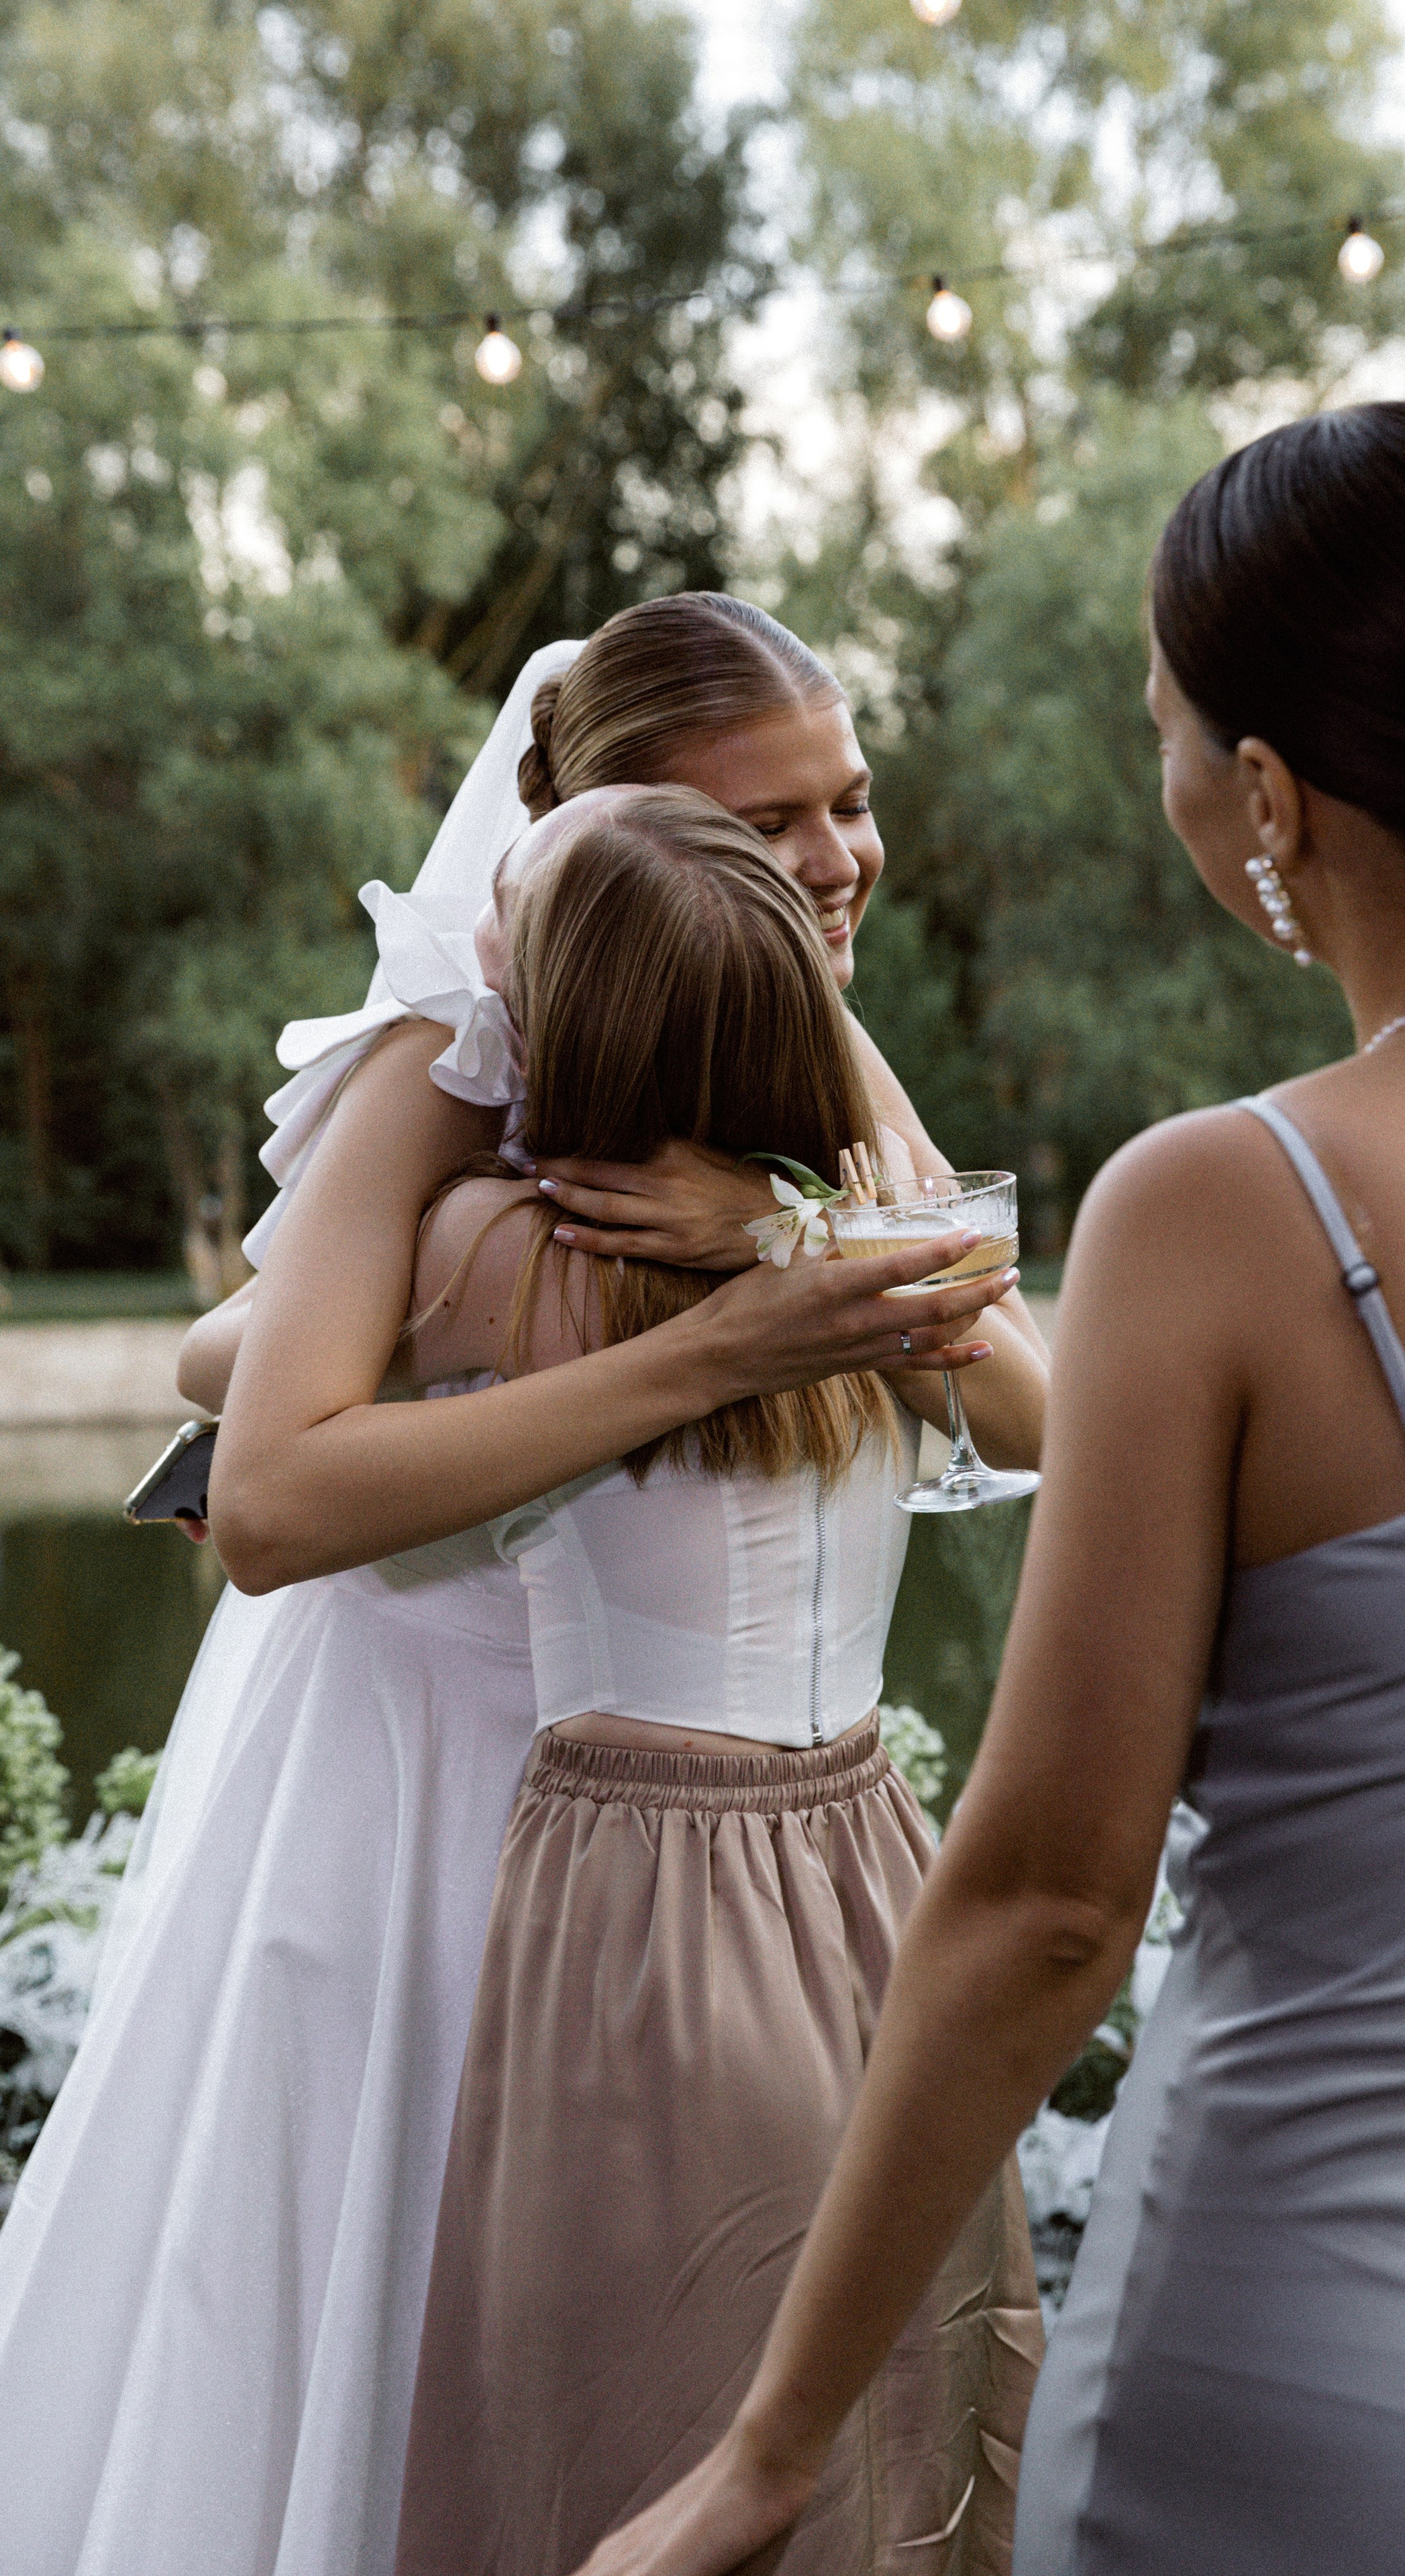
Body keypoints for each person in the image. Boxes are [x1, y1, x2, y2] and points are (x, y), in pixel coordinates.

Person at [575, 398, 1405, 2576]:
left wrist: (767, 2455)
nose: (1171, 775)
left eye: (1166, 728)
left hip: (1328, 2382)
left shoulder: (1230, 1205)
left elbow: (1044, 1906)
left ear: (1267, 799)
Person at [0, 595, 1045, 2576]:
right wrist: (621, 1326)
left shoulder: (802, 1019)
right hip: (433, 1792)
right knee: (395, 2318)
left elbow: (1010, 1377)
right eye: (774, 818)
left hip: (694, 1814)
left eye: (851, 802)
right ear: (594, 823)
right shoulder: (449, 1060)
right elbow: (263, 1432)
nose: (834, 866)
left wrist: (771, 1225)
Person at [310, 782, 1037, 2573]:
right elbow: (1058, 1422)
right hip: (876, 1874)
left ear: (574, 1012)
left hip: (644, 1912)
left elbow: (232, 1362)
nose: (477, 928)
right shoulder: (886, 1251)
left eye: (516, 916)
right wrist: (790, 1232)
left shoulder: (497, 1251)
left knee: (635, 2426)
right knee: (886, 2423)